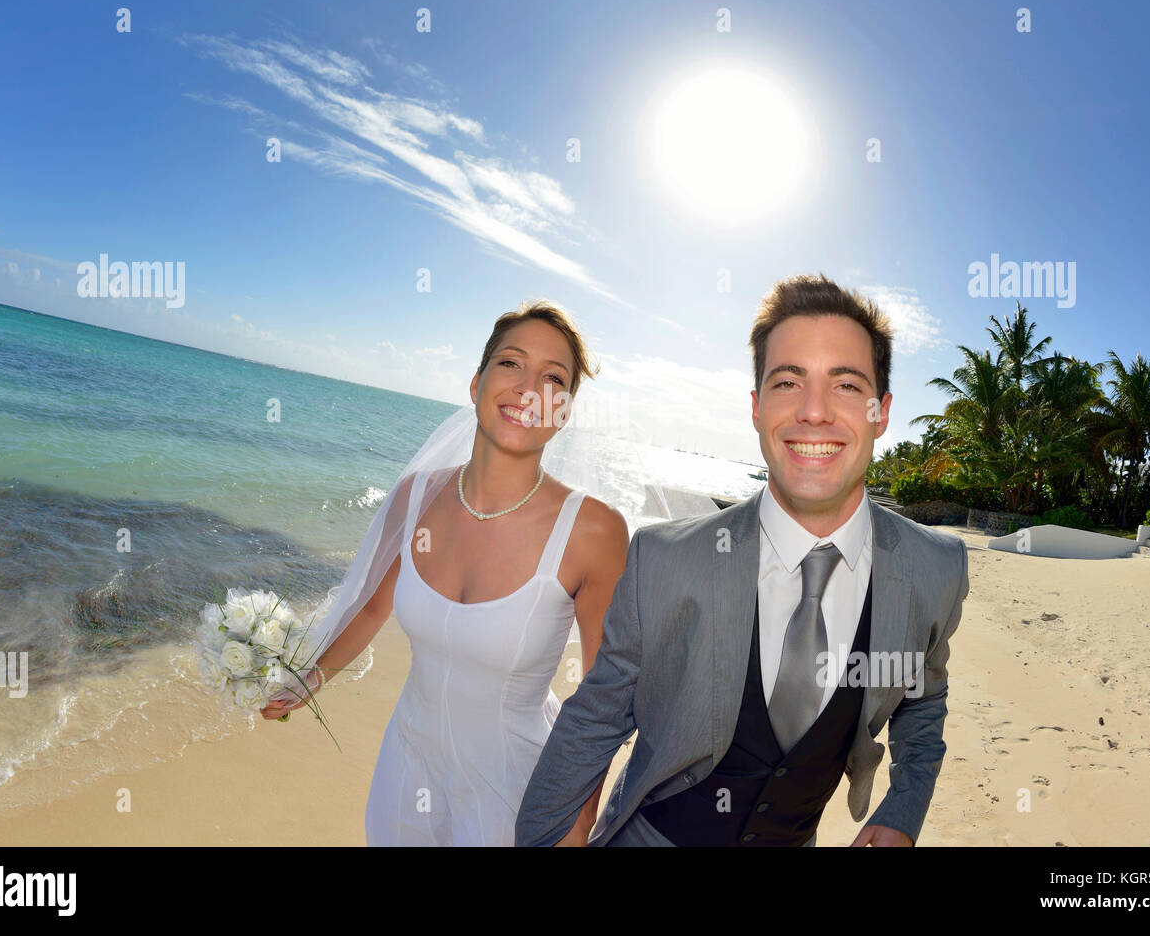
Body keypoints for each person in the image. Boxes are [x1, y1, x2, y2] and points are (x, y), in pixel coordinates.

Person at [516, 274, 970, 847]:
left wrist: (903, 809)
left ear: (881, 411)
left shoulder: (937, 569)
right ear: (756, 408)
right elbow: (595, 720)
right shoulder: (664, 559)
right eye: (788, 382)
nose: (814, 412)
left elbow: (922, 700)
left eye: (846, 385)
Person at [262, 300, 630, 846]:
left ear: (565, 410)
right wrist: (308, 680)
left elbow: (604, 699)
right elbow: (370, 607)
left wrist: (578, 821)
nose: (529, 390)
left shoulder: (593, 531)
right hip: (407, 771)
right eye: (511, 364)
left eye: (554, 379)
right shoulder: (418, 496)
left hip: (519, 790)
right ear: (477, 381)